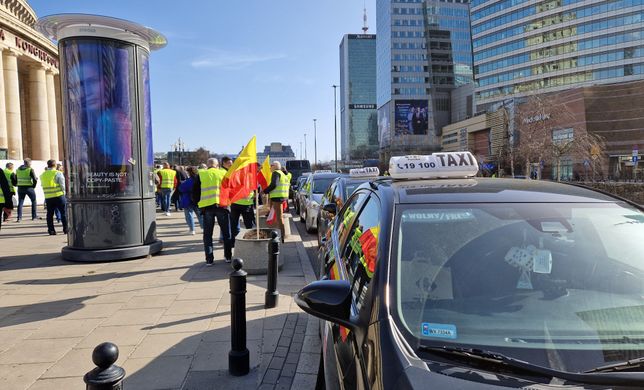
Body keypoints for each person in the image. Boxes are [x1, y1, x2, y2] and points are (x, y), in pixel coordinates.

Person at [193, 158, 233, 265]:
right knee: (226, 234)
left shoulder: (202, 174)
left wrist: (198, 204)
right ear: (217, 165)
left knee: (207, 235)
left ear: (208, 165)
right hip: (222, 206)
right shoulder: (224, 173)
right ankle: (228, 257)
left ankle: (209, 260)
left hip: (207, 208)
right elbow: (231, 189)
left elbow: (195, 192)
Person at [263, 161, 289, 243]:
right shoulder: (283, 174)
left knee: (279, 218)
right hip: (281, 198)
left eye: (271, 166)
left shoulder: (276, 173)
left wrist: (265, 191)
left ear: (274, 166)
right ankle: (279, 235)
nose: (270, 168)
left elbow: (274, 184)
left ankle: (281, 237)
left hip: (277, 198)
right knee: (277, 217)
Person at [40, 159, 68, 235]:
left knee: (49, 214)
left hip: (48, 197)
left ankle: (51, 230)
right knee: (63, 213)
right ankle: (66, 229)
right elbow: (62, 185)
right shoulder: (58, 173)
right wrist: (64, 193)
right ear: (55, 165)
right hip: (59, 195)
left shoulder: (43, 174)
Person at [179, 166, 203, 235]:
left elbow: (181, 189)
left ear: (189, 172)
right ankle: (203, 228)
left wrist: (182, 184)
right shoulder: (200, 179)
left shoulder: (189, 181)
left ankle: (192, 229)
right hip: (198, 199)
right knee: (200, 215)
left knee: (189, 215)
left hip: (188, 199)